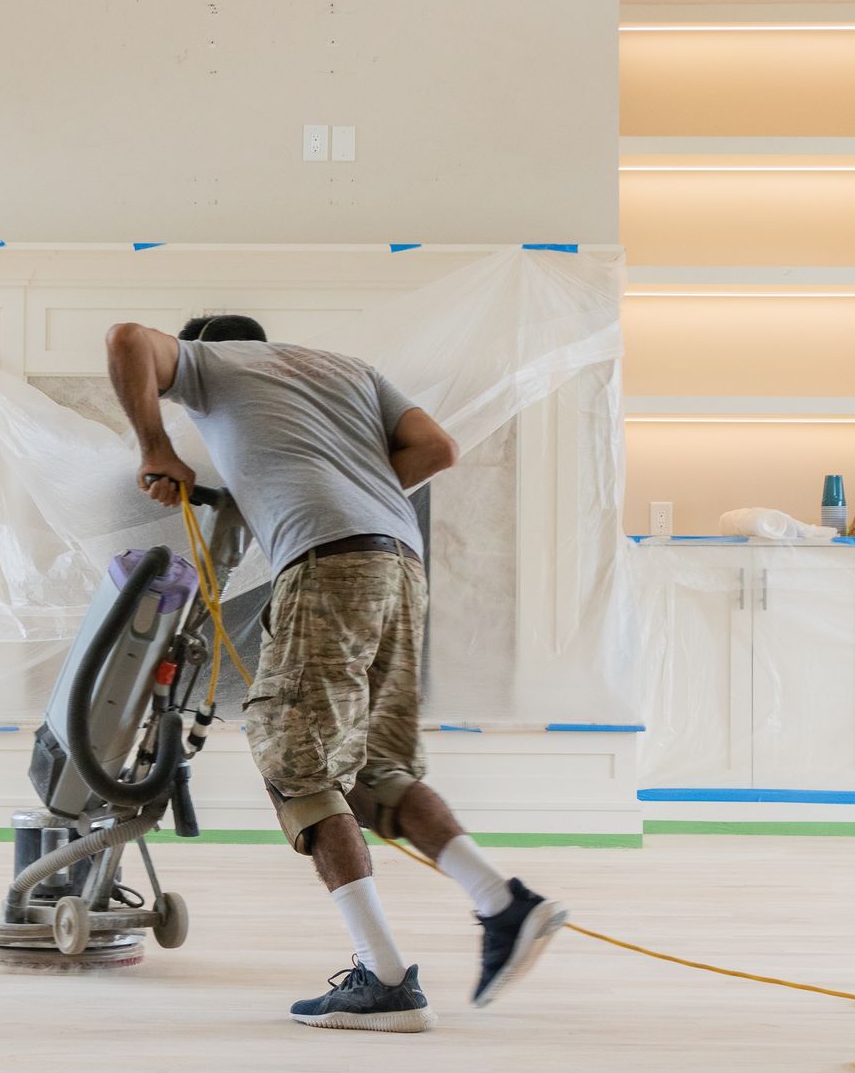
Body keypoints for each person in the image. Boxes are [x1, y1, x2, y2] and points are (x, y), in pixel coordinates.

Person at [104, 312, 568, 1033]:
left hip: (331, 565)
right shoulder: (345, 370)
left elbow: (128, 339)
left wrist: (158, 447)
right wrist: (342, 494)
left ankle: (384, 980)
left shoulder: (212, 367)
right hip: (399, 564)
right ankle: (503, 903)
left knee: (296, 763)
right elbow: (436, 449)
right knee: (377, 771)